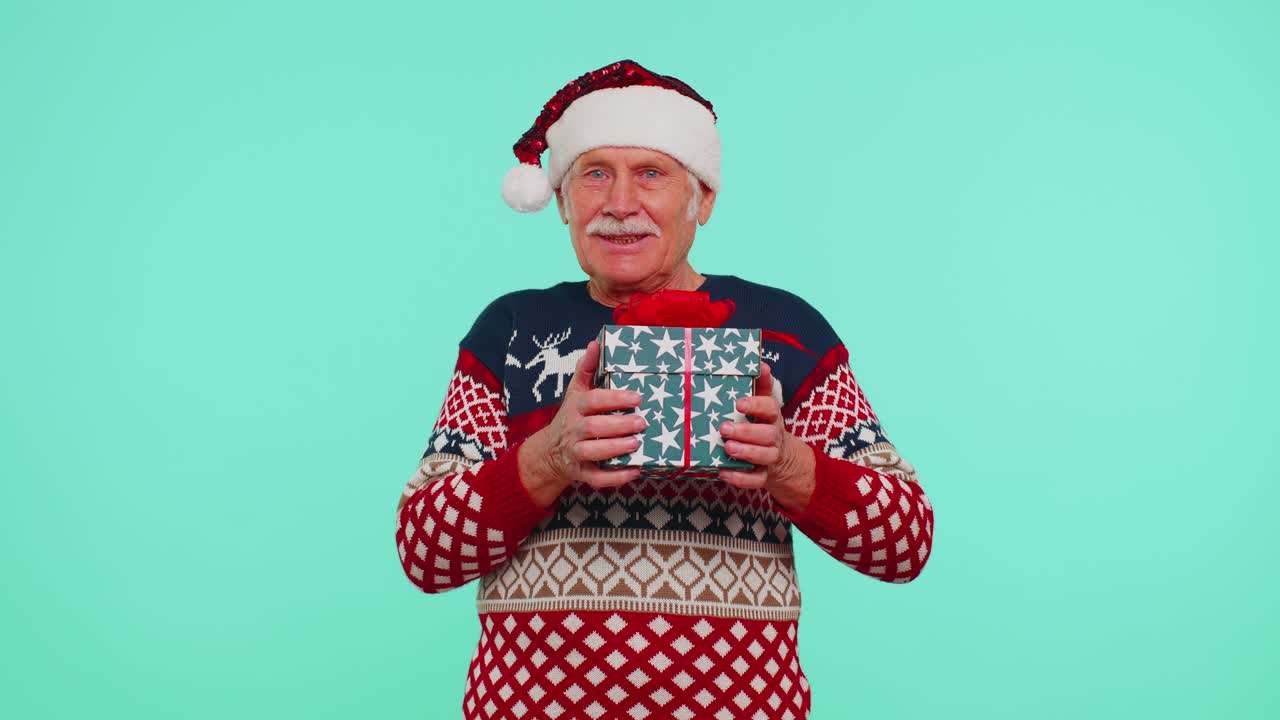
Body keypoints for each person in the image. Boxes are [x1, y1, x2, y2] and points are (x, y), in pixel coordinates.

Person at [394, 59, 934, 720]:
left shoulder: (785, 332)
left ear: (701, 198)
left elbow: (905, 540)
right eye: (595, 174)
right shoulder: (512, 330)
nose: (620, 205)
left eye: (651, 173)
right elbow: (424, 552)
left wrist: (788, 466)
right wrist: (550, 459)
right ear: (562, 199)